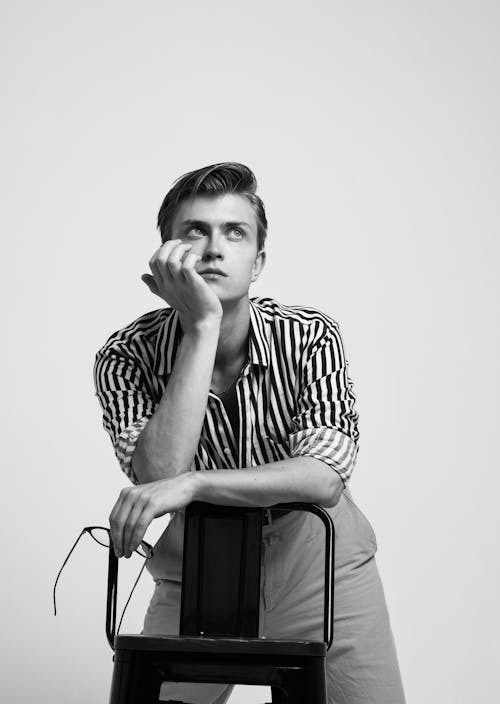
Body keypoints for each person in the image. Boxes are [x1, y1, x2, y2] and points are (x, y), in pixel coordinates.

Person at [94, 162, 406, 704]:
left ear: (258, 260)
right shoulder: (126, 355)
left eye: (234, 232)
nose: (214, 249)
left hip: (316, 559)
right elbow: (158, 475)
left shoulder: (310, 337)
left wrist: (196, 486)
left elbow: (323, 477)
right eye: (195, 230)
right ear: (165, 253)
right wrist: (201, 326)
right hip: (200, 564)